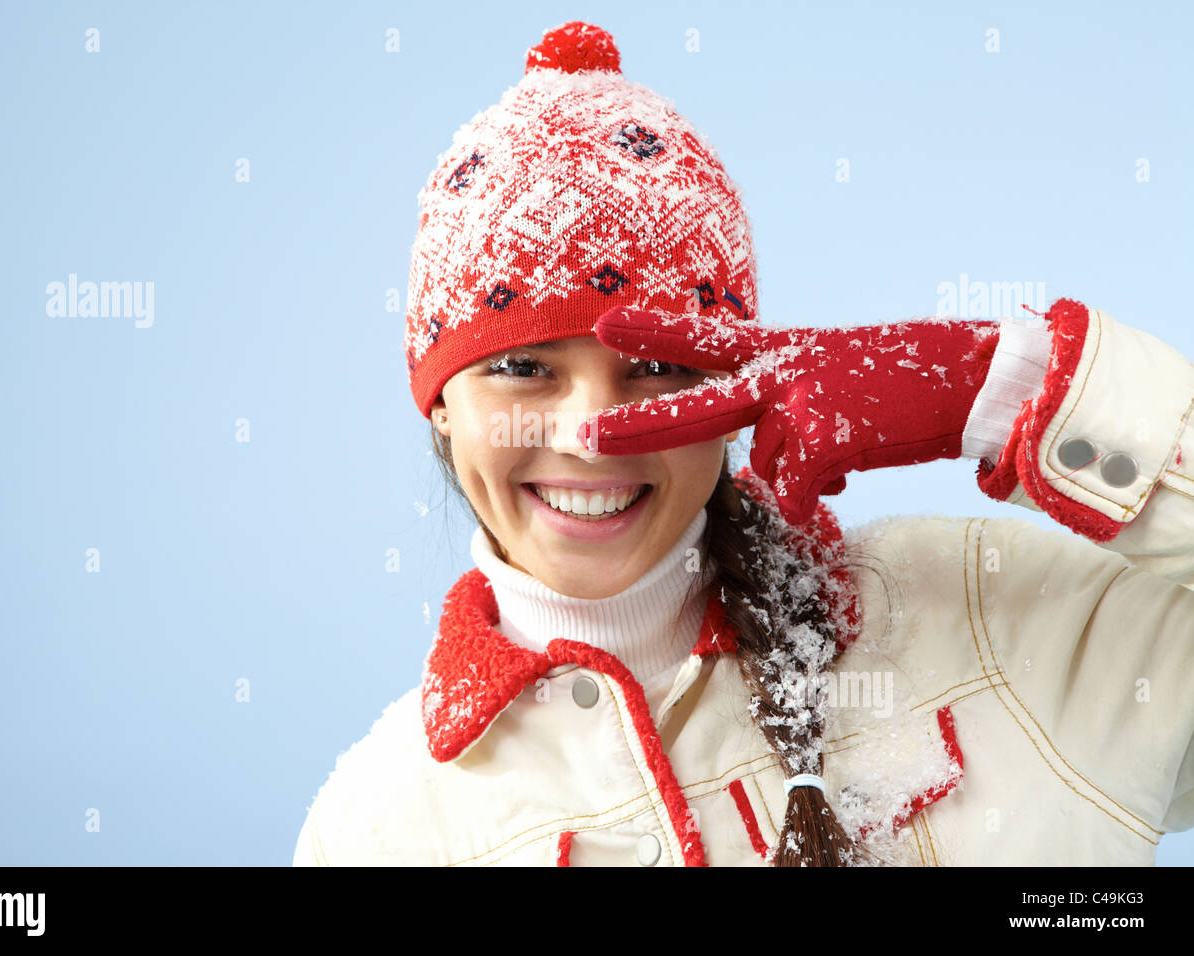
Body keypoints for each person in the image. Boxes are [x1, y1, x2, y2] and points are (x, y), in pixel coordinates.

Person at [293, 20, 1194, 866]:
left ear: (732, 385)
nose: (593, 436)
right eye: (524, 366)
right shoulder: (378, 825)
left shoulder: (990, 621)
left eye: (657, 368)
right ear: (439, 404)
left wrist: (1008, 393)